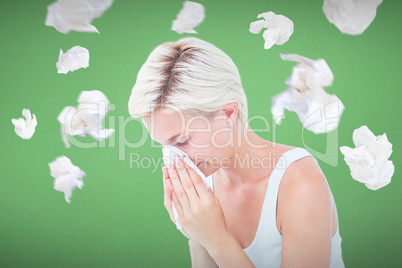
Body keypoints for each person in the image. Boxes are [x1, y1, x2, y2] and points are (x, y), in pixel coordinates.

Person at [128, 37, 344, 268]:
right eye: (165, 147)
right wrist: (196, 235)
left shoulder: (299, 182)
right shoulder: (204, 188)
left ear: (228, 113)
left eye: (182, 140)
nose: (177, 159)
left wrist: (216, 239)